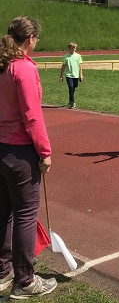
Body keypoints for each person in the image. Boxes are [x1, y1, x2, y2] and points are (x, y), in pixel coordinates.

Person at [0, 16, 57, 299]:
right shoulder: (23, 69)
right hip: (20, 152)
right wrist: (45, 152)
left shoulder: (2, 66)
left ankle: (2, 272)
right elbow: (32, 116)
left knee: (4, 212)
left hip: (0, 149)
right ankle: (25, 281)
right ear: (30, 38)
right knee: (25, 215)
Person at [59, 42, 83, 109]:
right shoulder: (66, 57)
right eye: (72, 48)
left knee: (73, 88)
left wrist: (81, 75)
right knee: (71, 87)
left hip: (75, 75)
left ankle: (70, 100)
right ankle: (72, 102)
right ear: (69, 48)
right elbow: (63, 66)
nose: (73, 50)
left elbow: (80, 66)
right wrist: (61, 76)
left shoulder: (78, 56)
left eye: (74, 48)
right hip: (69, 75)